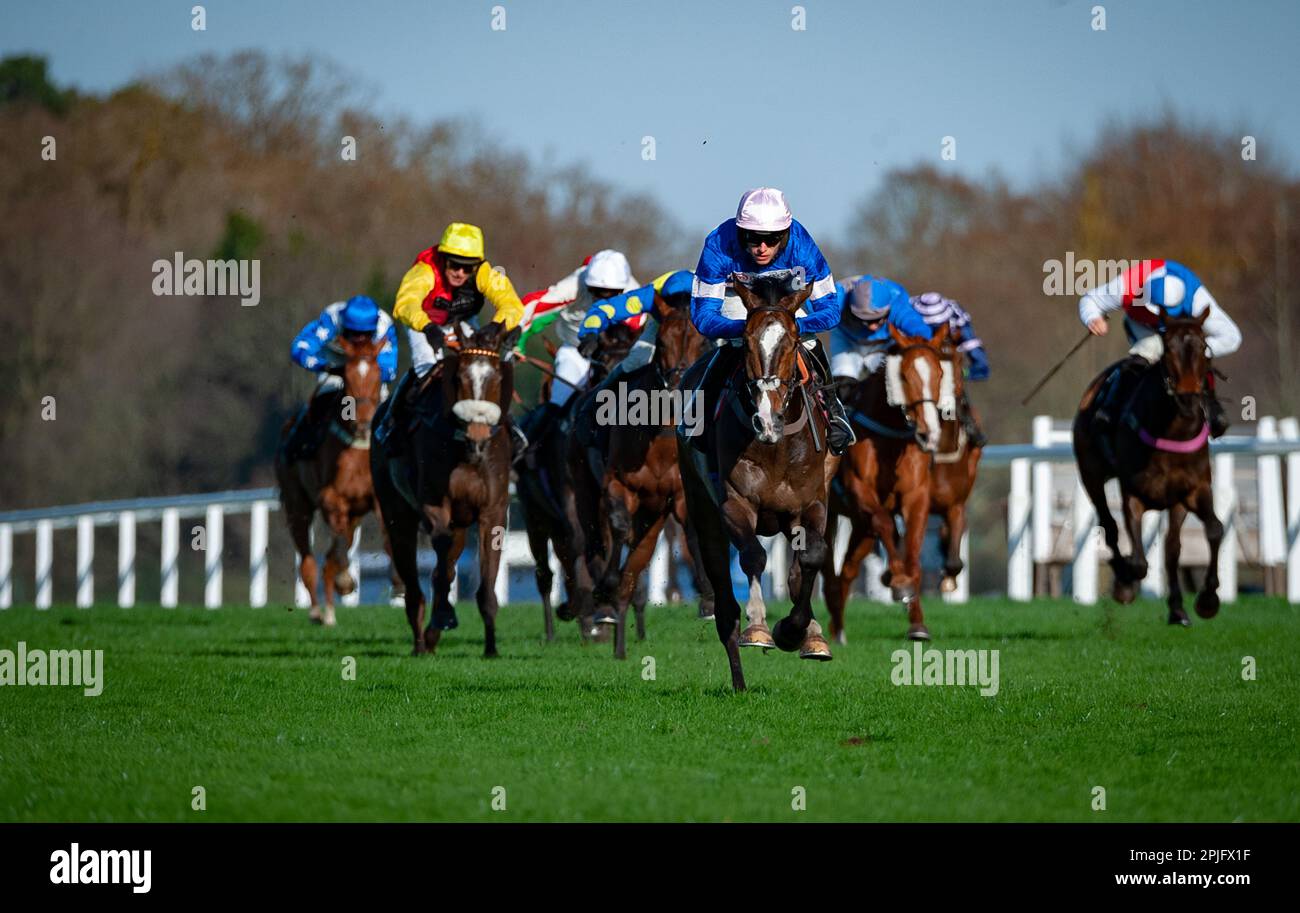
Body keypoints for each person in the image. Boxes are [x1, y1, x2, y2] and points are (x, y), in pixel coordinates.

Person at [688, 187, 854, 454]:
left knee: (812, 346)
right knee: (730, 349)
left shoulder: (803, 249)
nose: (761, 248)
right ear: (740, 232)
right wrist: (747, 329)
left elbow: (831, 311)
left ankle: (833, 414)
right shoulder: (718, 244)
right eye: (752, 238)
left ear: (786, 234)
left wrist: (795, 326)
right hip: (740, 304)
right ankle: (701, 414)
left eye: (773, 239)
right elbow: (703, 316)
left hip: (786, 305)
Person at [377, 222, 524, 453]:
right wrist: (427, 327)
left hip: (461, 322)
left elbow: (511, 304)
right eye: (455, 265)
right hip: (424, 322)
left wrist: (496, 326)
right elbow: (404, 305)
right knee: (426, 367)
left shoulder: (484, 273)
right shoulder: (425, 270)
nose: (460, 273)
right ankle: (391, 422)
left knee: (486, 364)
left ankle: (509, 424)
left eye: (468, 268)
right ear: (443, 258)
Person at [1078, 259, 1241, 439]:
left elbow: (1232, 336)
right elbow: (1090, 299)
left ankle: (1212, 409)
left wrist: (1197, 353)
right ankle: (1110, 410)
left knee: (1192, 359)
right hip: (1144, 327)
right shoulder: (1128, 285)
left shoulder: (1196, 297)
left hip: (1181, 335)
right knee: (1145, 355)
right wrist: (1093, 318)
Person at [285, 295, 398, 460]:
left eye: (365, 334)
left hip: (367, 366)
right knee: (333, 397)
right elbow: (299, 348)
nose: (359, 338)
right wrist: (324, 366)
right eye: (353, 332)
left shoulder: (384, 327)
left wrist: (364, 378)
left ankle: (389, 453)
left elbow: (389, 370)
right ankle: (305, 443)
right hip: (335, 361)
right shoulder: (332, 318)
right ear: (344, 324)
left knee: (381, 403)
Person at [910, 290, 990, 446]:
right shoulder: (907, 311)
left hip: (947, 363)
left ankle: (967, 424)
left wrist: (964, 373)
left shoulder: (957, 316)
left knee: (950, 385)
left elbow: (980, 363)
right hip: (917, 364)